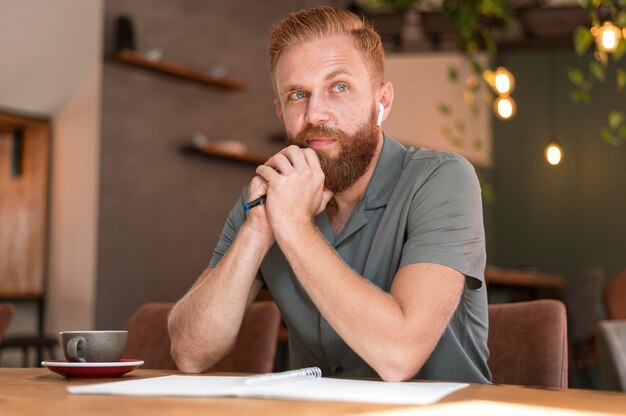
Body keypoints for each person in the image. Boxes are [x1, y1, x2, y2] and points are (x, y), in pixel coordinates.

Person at [168, 6, 491, 383]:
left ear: (381, 102)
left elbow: (398, 355)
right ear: (280, 111)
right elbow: (190, 353)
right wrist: (258, 229)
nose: (316, 113)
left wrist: (293, 226)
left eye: (338, 87)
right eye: (297, 95)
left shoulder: (442, 179)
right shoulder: (270, 195)